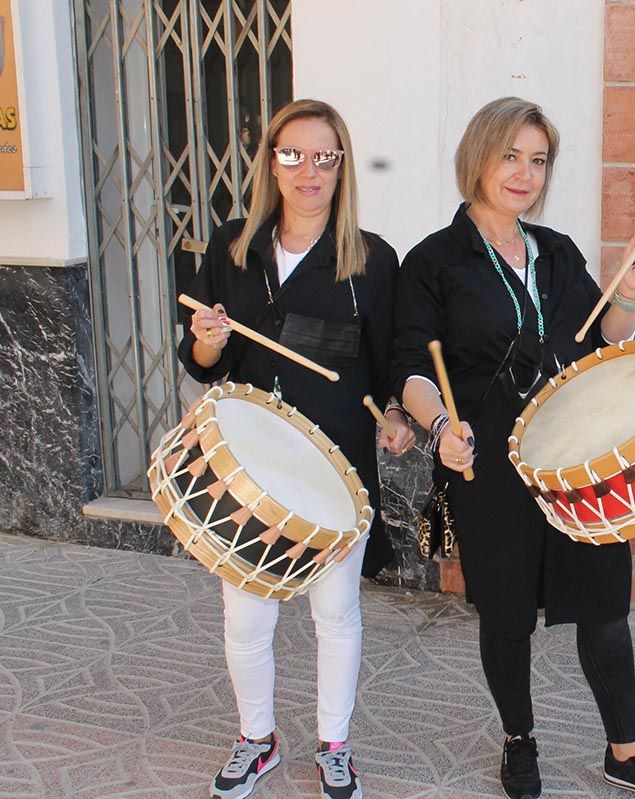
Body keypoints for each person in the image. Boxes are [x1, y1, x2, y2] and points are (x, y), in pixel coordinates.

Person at [394, 97, 635, 799]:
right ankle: (519, 739)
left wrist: (631, 291)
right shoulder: (434, 260)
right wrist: (441, 429)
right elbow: (410, 367)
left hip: (573, 457)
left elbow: (606, 338)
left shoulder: (555, 252)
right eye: (510, 156)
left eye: (538, 160)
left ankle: (627, 747)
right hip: (487, 457)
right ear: (479, 157)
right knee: (505, 612)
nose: (524, 173)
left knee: (604, 604)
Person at [179, 99, 414, 799]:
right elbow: (202, 363)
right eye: (292, 154)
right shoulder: (231, 248)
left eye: (324, 156)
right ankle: (257, 737)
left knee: (334, 612)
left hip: (335, 470)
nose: (307, 171)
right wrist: (210, 341)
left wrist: (398, 412)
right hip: (248, 469)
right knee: (247, 613)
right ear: (270, 162)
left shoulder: (373, 260)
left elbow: (390, 362)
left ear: (342, 166)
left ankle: (334, 743)